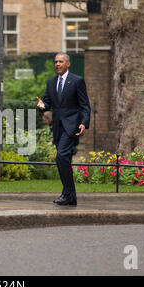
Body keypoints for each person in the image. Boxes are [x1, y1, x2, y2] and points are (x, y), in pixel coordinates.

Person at [37, 53, 90, 206]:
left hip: (71, 126)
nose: (57, 64)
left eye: (60, 61)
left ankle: (67, 194)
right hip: (58, 127)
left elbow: (85, 105)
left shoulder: (77, 81)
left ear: (68, 64)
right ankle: (70, 196)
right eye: (55, 62)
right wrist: (43, 106)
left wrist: (84, 123)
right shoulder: (51, 82)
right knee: (63, 160)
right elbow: (47, 102)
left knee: (61, 156)